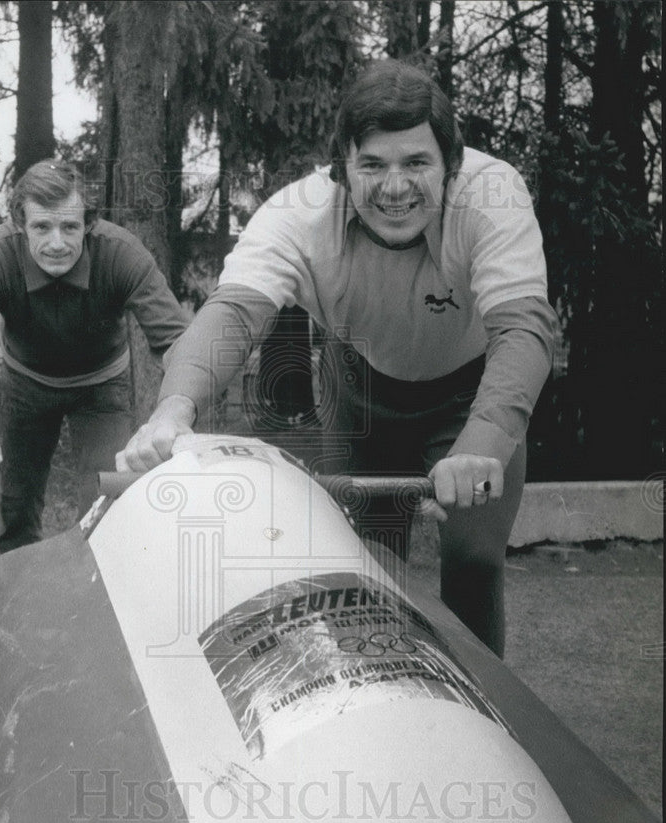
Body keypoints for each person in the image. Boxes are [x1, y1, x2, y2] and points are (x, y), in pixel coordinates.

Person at [116, 60, 559, 658]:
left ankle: (486, 714)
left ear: (451, 166)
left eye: (416, 164)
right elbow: (231, 318)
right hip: (359, 392)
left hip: (471, 391)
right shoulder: (296, 214)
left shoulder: (494, 194)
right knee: (365, 563)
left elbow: (524, 331)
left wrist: (482, 442)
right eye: (372, 165)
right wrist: (172, 411)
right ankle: (370, 695)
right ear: (342, 167)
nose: (395, 187)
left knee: (475, 559)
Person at [0, 159, 188, 553]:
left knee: (108, 504)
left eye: (70, 227)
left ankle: (97, 602)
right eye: (42, 227)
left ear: (88, 224)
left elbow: (175, 341)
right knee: (16, 508)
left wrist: (178, 411)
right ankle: (21, 606)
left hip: (101, 388)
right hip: (26, 385)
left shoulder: (122, 253)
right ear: (20, 224)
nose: (57, 243)